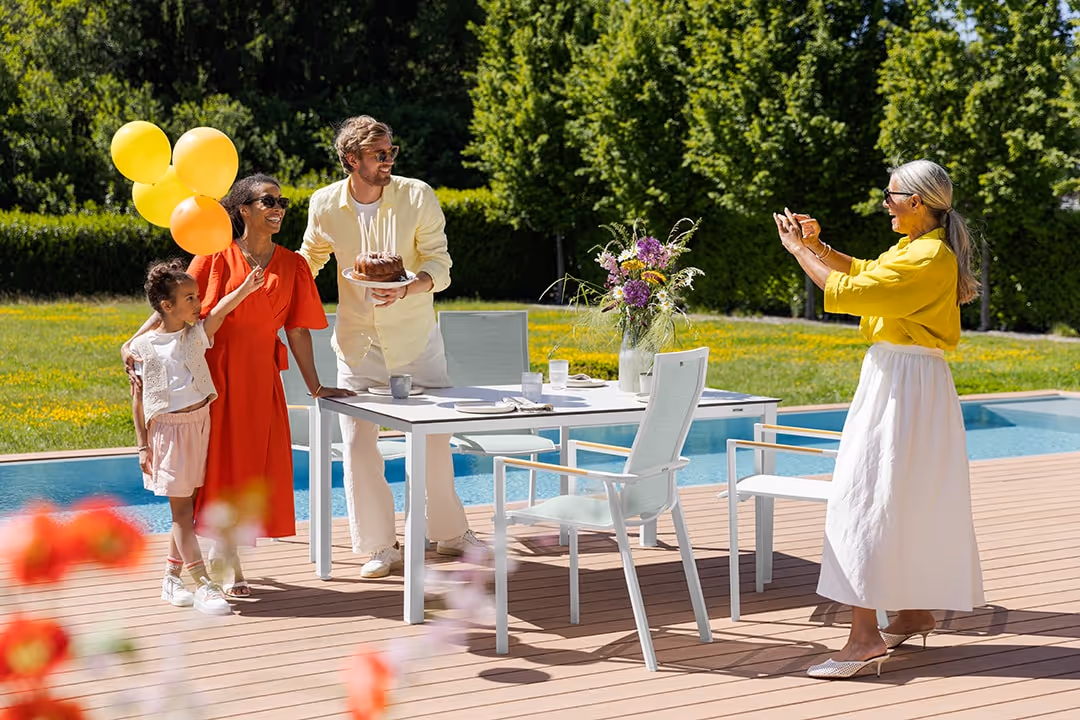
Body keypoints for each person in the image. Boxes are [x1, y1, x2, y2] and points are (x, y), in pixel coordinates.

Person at [773, 159, 985, 679]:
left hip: (901, 385)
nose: (883, 202)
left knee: (863, 496)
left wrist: (799, 250)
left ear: (917, 202)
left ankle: (863, 638)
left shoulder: (927, 258)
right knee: (900, 496)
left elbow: (849, 294)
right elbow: (863, 272)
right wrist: (818, 247)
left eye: (889, 195)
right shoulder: (917, 250)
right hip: (910, 384)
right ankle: (912, 611)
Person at [123, 173, 353, 597]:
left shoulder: (294, 264)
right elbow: (173, 305)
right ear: (243, 210)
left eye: (282, 201)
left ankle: (220, 554)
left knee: (248, 469)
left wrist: (316, 387)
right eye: (267, 200)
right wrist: (135, 340)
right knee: (215, 469)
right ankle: (220, 558)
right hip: (211, 378)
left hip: (261, 380)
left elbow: (299, 331)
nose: (278, 208)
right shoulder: (214, 254)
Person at [299, 115, 484, 579]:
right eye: (379, 154)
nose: (388, 160)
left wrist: (409, 287)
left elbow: (440, 264)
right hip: (358, 345)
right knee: (359, 445)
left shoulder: (417, 195)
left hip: (416, 340)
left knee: (435, 442)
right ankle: (380, 546)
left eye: (391, 152)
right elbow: (309, 259)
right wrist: (275, 288)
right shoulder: (324, 204)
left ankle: (449, 534)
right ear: (350, 159)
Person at [131, 257, 264, 615]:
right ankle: (204, 585)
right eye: (189, 298)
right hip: (168, 432)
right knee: (181, 513)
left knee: (189, 509)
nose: (198, 302)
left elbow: (220, 310)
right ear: (166, 306)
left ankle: (171, 577)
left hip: (201, 425)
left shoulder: (195, 334)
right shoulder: (145, 349)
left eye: (197, 295)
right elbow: (138, 400)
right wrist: (143, 445)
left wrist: (246, 288)